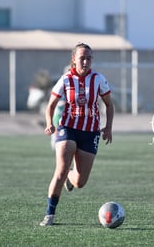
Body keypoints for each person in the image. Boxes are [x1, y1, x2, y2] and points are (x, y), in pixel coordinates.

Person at [40, 43, 114, 226]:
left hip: (90, 132)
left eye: (89, 58)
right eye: (82, 58)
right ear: (74, 59)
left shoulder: (98, 79)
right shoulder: (65, 80)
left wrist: (108, 127)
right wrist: (50, 123)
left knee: (80, 182)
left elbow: (109, 105)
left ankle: (69, 177)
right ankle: (49, 214)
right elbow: (50, 106)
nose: (86, 61)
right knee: (61, 169)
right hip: (68, 127)